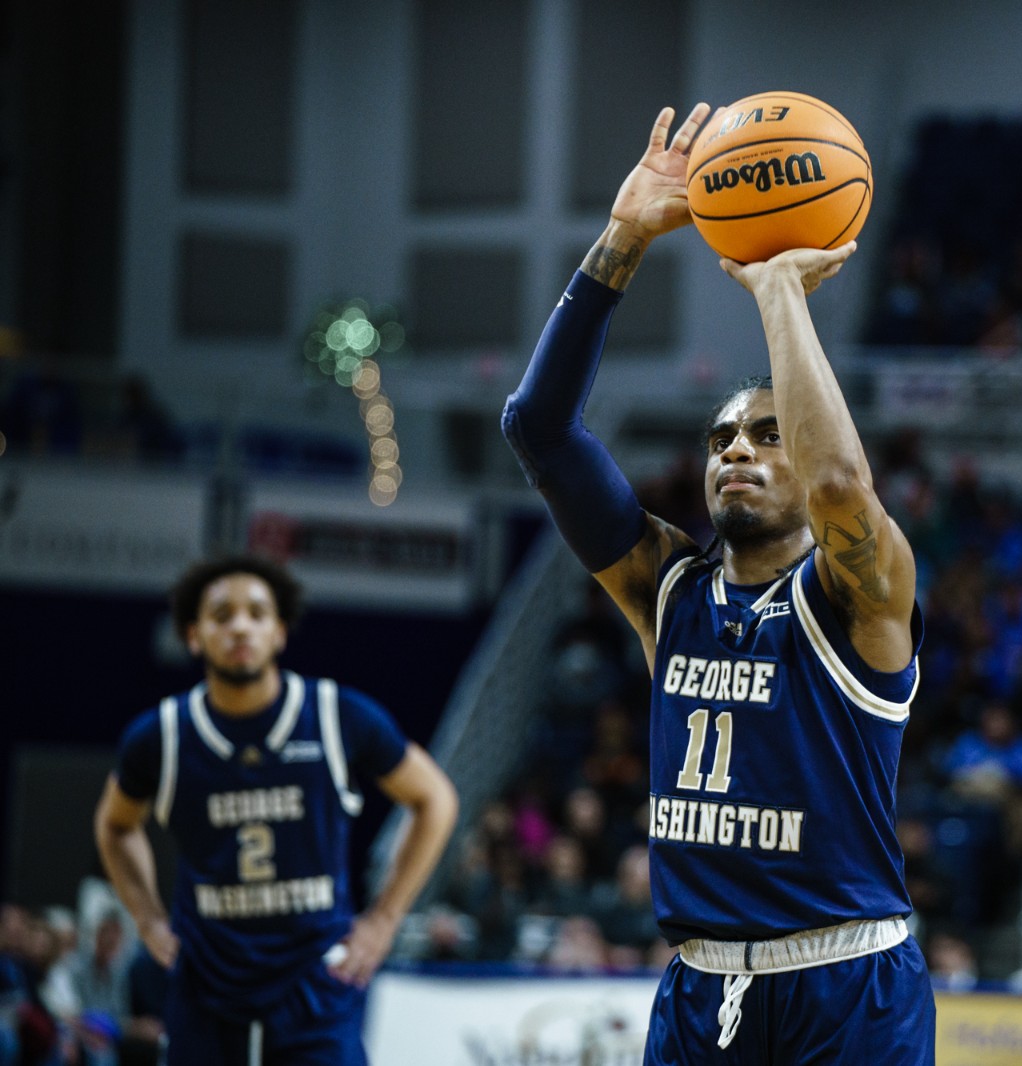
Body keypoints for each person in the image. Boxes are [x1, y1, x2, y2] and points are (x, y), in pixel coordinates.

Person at [500, 103, 936, 1062]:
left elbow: (838, 484)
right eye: (723, 437)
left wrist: (779, 291)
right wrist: (622, 239)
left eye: (768, 435)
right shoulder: (668, 589)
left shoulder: (860, 591)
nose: (737, 448)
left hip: (847, 983)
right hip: (699, 987)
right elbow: (538, 428)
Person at [92, 555, 458, 1066]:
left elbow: (435, 798)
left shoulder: (336, 716)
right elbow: (114, 825)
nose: (241, 626)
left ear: (280, 632)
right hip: (207, 987)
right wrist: (148, 920)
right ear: (194, 636)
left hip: (316, 986)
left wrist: (385, 918)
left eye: (257, 613)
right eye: (222, 615)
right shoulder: (163, 736)